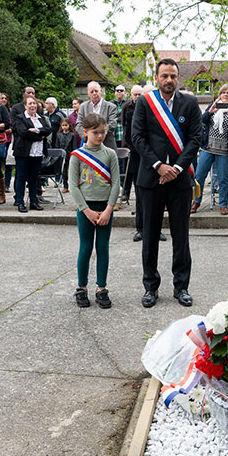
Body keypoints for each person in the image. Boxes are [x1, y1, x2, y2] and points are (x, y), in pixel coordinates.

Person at [132, 59, 202, 308]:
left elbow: (196, 138)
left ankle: (181, 287)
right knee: (149, 235)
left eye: (173, 76)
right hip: (151, 179)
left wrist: (177, 168)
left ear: (178, 78)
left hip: (180, 179)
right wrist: (159, 166)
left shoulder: (190, 103)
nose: (169, 80)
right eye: (164, 76)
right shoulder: (144, 101)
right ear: (157, 77)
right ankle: (150, 287)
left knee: (180, 236)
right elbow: (137, 138)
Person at [68, 113, 120, 309]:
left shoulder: (110, 154)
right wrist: (86, 210)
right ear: (85, 132)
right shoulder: (77, 156)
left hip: (105, 207)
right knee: (86, 247)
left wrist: (108, 209)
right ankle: (81, 288)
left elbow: (116, 184)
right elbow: (73, 185)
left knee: (103, 247)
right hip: (86, 208)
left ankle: (101, 288)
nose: (100, 136)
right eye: (95, 132)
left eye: (103, 132)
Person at [122, 84, 166, 243]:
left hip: (158, 162)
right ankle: (140, 229)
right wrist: (146, 154)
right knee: (140, 198)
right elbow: (131, 138)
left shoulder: (162, 114)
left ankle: (157, 229)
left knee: (158, 198)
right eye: (141, 95)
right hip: (139, 161)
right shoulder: (132, 114)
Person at [190, 84, 228, 216]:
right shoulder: (213, 106)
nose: (225, 95)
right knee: (199, 175)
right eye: (223, 92)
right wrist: (210, 111)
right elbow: (202, 120)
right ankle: (196, 201)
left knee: (223, 178)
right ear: (219, 95)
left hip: (224, 150)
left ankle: (223, 205)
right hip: (208, 148)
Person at [12, 94, 52, 213]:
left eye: (34, 103)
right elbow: (23, 132)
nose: (33, 105)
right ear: (25, 106)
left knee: (34, 178)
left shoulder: (41, 118)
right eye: (30, 103)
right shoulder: (20, 118)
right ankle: (20, 202)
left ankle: (33, 201)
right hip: (23, 153)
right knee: (21, 177)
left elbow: (48, 130)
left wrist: (36, 130)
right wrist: (40, 135)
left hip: (38, 153)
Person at [75, 82, 117, 150]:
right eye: (91, 92)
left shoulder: (111, 107)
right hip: (88, 146)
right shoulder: (83, 106)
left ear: (101, 91)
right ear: (88, 94)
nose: (94, 93)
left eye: (96, 91)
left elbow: (112, 124)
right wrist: (88, 135)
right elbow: (78, 124)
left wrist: (99, 134)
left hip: (107, 146)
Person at [121, 84, 143, 205]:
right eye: (135, 94)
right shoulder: (127, 107)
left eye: (140, 94)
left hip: (139, 146)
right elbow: (124, 125)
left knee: (136, 170)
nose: (137, 97)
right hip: (128, 143)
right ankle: (126, 192)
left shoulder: (144, 106)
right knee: (127, 170)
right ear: (131, 95)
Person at [55, 117, 78, 192]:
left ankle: (74, 185)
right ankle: (65, 186)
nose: (64, 127)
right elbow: (57, 146)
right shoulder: (58, 135)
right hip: (62, 156)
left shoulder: (72, 135)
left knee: (72, 171)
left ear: (69, 125)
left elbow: (74, 146)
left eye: (66, 125)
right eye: (63, 125)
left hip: (70, 155)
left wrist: (74, 155)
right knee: (64, 171)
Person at [0, 93, 14, 192]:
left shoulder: (11, 111)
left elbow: (16, 123)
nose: (4, 100)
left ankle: (7, 184)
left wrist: (11, 129)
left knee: (8, 163)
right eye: (2, 98)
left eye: (5, 98)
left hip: (8, 140)